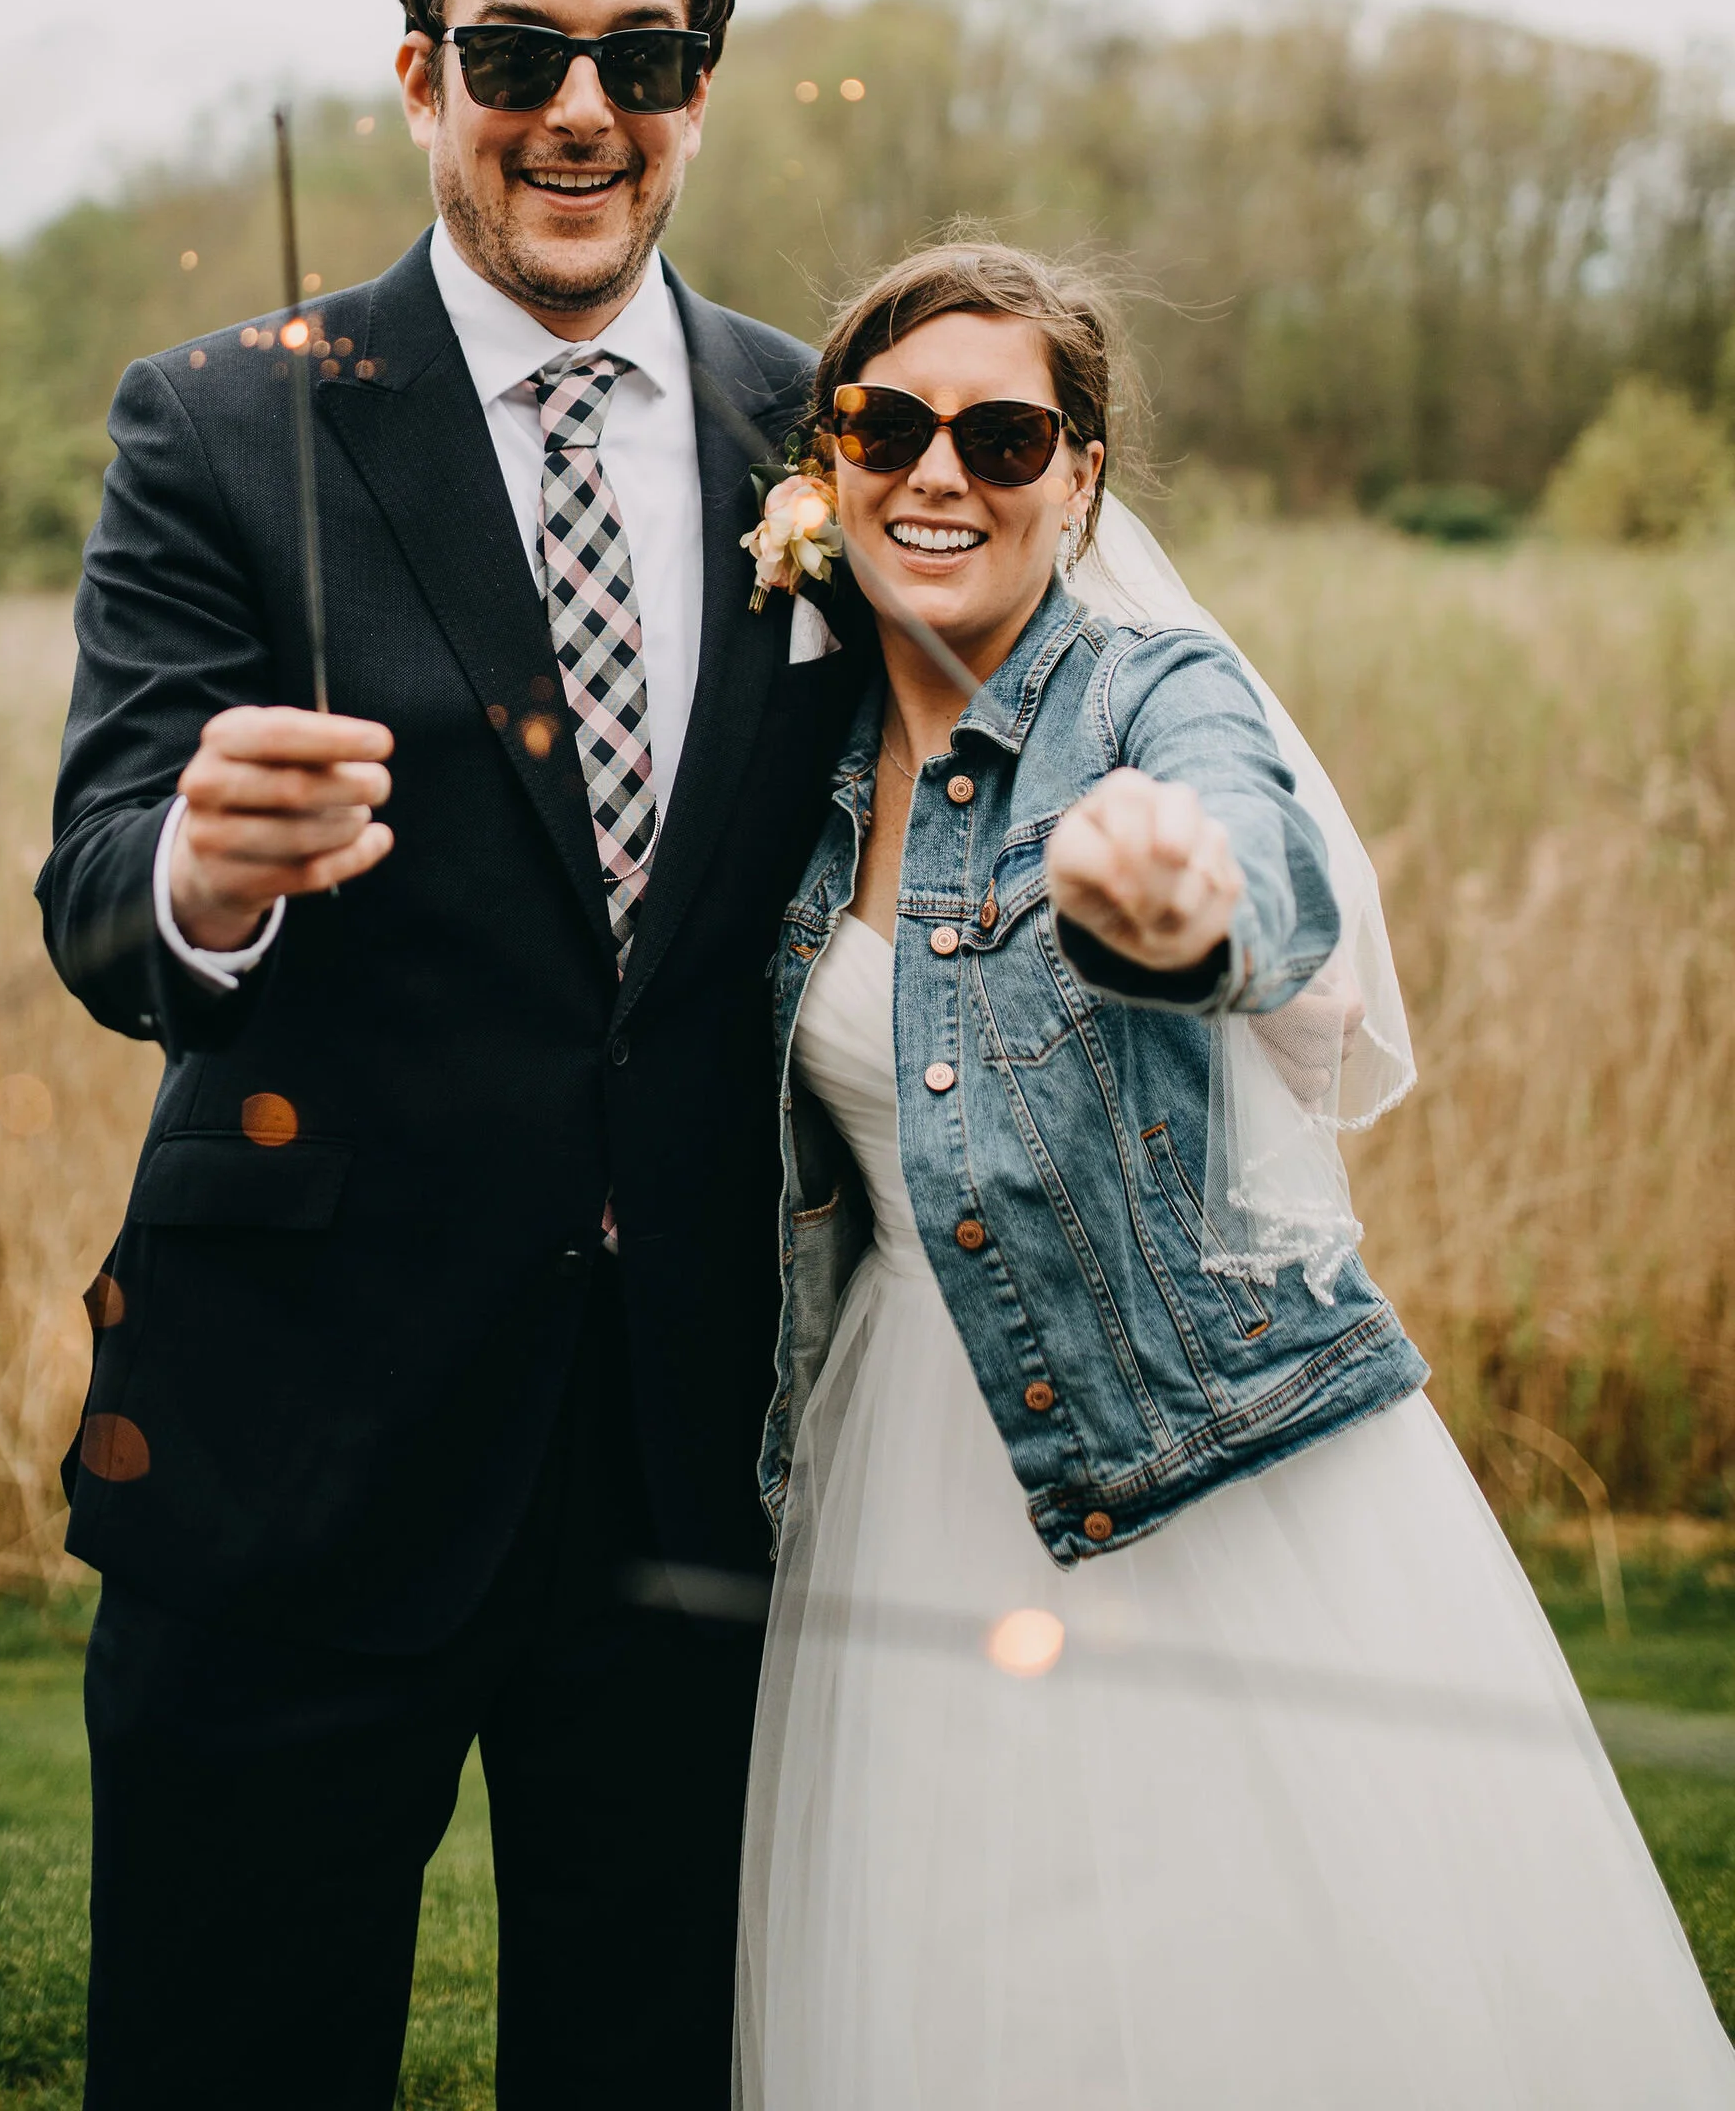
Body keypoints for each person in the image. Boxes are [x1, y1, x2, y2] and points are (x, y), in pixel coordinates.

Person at [38, 0, 859, 2108]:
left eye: (642, 54)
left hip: (695, 1453)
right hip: (294, 1428)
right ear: (420, 79)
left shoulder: (827, 428)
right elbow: (99, 884)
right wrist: (207, 863)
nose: (578, 109)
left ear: (701, 88)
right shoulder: (221, 420)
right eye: (515, 54)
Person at [736, 240, 1735, 2108]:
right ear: (828, 461)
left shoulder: (1145, 697)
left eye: (1006, 433)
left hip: (1200, 1442)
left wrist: (1179, 910)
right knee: (967, 1985)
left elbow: (1253, 878)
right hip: (899, 1460)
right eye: (889, 424)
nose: (941, 473)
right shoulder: (802, 747)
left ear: (1083, 476)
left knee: (1261, 1987)